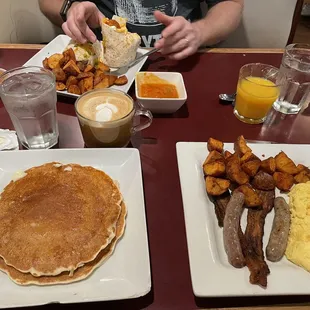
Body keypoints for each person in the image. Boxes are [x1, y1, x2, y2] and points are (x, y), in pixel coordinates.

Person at [39, 0, 243, 60]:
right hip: (100, 60)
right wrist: (72, 7)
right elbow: (48, 2)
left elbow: (231, 3)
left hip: (180, 63)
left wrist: (199, 31)